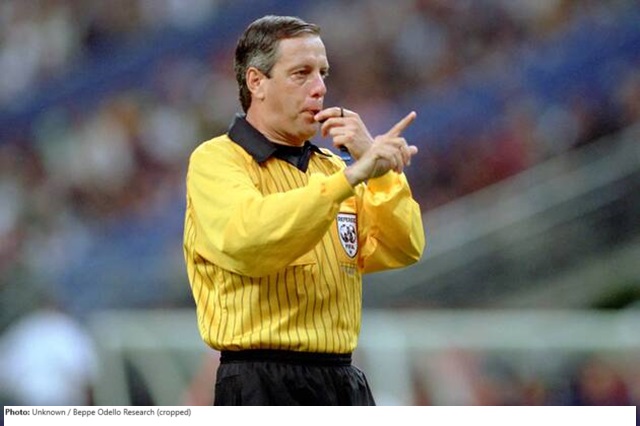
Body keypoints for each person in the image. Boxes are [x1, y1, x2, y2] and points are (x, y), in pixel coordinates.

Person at [183, 14, 425, 406]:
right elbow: (250, 240)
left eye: (322, 73)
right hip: (260, 381)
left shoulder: (331, 168)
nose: (320, 87)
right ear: (256, 82)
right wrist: (352, 177)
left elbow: (404, 246)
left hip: (343, 380)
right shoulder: (217, 160)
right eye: (301, 73)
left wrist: (381, 175)